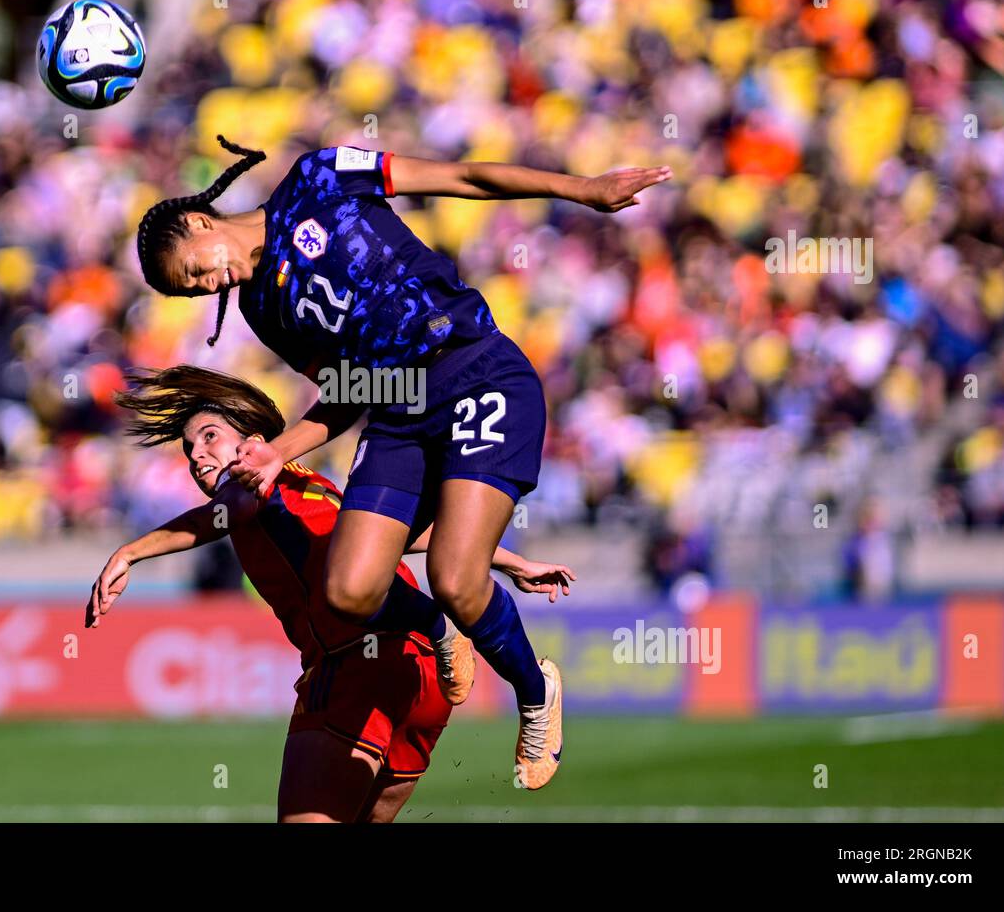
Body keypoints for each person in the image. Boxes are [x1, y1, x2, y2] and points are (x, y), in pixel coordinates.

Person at [135, 137, 651, 787]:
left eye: (198, 270)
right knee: (348, 589)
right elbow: (349, 390)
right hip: (401, 414)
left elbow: (459, 174)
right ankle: (438, 627)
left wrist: (581, 188)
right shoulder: (264, 309)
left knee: (458, 578)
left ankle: (533, 691)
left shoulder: (318, 179)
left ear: (201, 223)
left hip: (477, 371)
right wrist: (277, 451)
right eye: (195, 290)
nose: (211, 285)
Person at [85, 365, 574, 821]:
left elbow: (215, 518)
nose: (197, 456)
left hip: (354, 665)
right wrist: (510, 561)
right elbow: (403, 536)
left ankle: (438, 624)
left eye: (209, 437)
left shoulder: (249, 489)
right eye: (189, 450)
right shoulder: (313, 486)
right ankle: (444, 631)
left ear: (253, 441)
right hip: (418, 675)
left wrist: (131, 551)